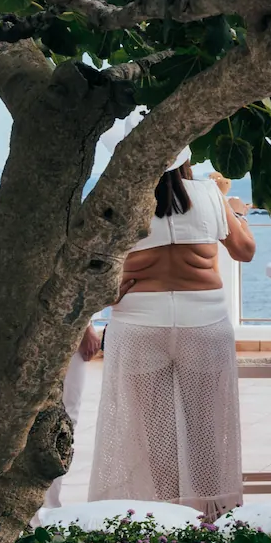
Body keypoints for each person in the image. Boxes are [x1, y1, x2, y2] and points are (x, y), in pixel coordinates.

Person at [89, 156, 255, 513]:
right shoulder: (210, 193)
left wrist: (111, 294)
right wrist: (234, 210)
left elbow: (88, 266)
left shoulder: (122, 199)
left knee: (156, 434)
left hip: (139, 323)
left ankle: (169, 518)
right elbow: (245, 251)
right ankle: (210, 519)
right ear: (187, 160)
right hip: (204, 322)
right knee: (205, 428)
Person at [43, 324, 103, 508]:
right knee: (56, 420)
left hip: (68, 330)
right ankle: (43, 509)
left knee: (64, 421)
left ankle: (49, 507)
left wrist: (85, 326)